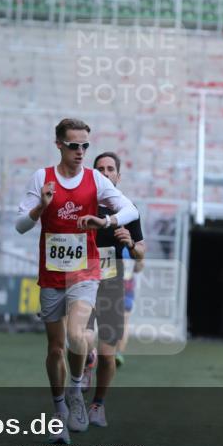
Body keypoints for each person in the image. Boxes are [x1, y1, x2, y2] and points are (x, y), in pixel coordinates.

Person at [15, 119, 138, 444]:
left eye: (85, 145)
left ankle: (76, 392)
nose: (81, 151)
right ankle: (59, 413)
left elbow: (129, 209)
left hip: (86, 272)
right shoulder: (42, 178)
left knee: (76, 334)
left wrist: (105, 219)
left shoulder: (96, 179)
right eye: (74, 145)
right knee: (55, 348)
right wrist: (41, 206)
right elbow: (19, 225)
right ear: (59, 144)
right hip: (51, 274)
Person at [84, 152, 146, 427]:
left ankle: (98, 405)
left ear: (118, 177)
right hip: (80, 281)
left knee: (109, 353)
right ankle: (85, 364)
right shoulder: (81, 204)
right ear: (93, 173)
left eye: (110, 169)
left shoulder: (127, 209)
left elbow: (142, 252)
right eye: (100, 168)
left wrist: (131, 244)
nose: (105, 172)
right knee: (78, 339)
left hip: (111, 282)